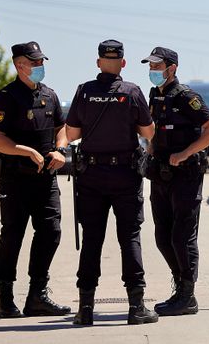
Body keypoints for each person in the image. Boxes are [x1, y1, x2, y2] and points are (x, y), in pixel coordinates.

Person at [65, 40, 158, 325]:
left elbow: (70, 134)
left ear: (98, 63)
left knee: (92, 238)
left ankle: (86, 308)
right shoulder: (131, 92)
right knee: (129, 236)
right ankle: (136, 306)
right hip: (126, 176)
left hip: (91, 175)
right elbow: (149, 131)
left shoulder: (84, 91)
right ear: (123, 63)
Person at [0, 41, 71, 318]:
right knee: (12, 234)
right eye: (33, 62)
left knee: (51, 232)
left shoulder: (50, 95)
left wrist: (60, 150)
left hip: (45, 180)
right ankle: (5, 296)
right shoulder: (6, 97)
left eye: (40, 62)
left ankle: (37, 295)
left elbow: (63, 129)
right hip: (14, 179)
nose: (39, 67)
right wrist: (24, 150)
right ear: (18, 65)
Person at [141, 47, 209, 316]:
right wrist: (150, 148)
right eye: (150, 66)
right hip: (161, 173)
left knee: (181, 237)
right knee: (162, 236)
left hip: (186, 175)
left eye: (157, 66)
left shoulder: (187, 97)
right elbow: (154, 128)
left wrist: (186, 152)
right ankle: (180, 287)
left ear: (172, 68)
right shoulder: (155, 94)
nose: (152, 70)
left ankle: (188, 296)